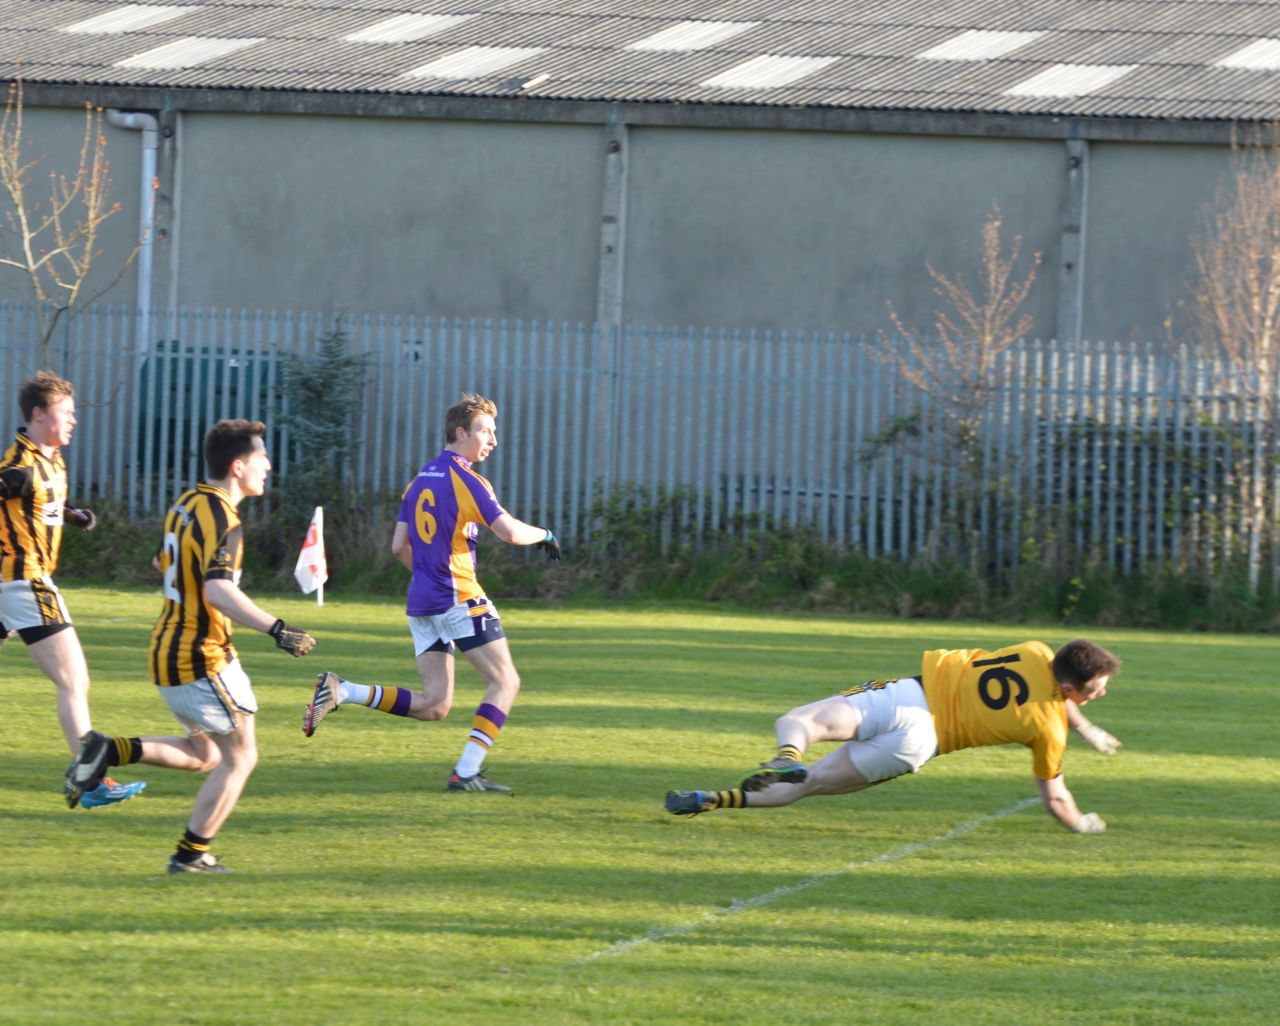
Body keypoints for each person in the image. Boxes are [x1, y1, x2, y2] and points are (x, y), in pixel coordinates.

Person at [63, 419, 316, 874]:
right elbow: (218, 590)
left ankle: (108, 750)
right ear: (238, 466)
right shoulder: (226, 519)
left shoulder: (186, 504)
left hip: (166, 651)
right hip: (201, 654)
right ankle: (190, 855)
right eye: (262, 458)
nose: (269, 466)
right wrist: (277, 628)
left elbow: (162, 562)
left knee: (206, 756)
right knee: (242, 757)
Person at [302, 392, 559, 794]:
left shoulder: (420, 479)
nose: (493, 440)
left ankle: (344, 690)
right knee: (505, 682)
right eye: (486, 432)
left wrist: (426, 576)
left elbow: (397, 547)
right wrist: (545, 534)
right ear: (461, 433)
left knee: (436, 705)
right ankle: (466, 772)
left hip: (422, 603)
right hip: (458, 598)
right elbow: (508, 531)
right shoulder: (468, 479)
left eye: (494, 432)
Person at [665, 638, 1119, 834]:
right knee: (811, 785)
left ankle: (787, 752)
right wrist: (1083, 825)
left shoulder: (1036, 650)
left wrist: (1087, 726)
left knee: (800, 720)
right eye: (1096, 690)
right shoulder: (1048, 730)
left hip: (908, 696)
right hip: (918, 744)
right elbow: (1055, 800)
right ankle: (712, 799)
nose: (1100, 694)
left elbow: (1054, 693)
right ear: (1067, 691)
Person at [0, 371, 146, 809]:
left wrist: (70, 515)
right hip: (25, 582)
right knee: (74, 678)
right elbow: (13, 488)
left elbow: (36, 505)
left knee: (72, 680)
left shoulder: (50, 459)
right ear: (39, 415)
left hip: (11, 585)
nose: (74, 420)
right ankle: (91, 779)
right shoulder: (19, 467)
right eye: (66, 412)